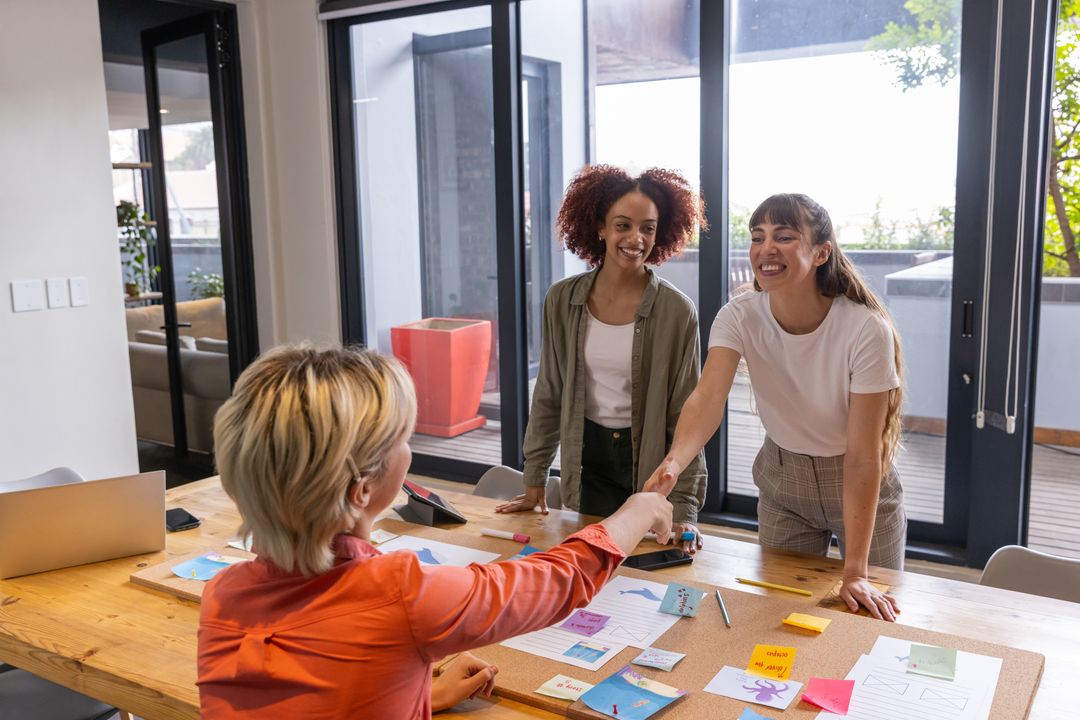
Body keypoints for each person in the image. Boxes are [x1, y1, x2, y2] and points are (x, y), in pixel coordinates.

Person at [197, 344, 676, 719]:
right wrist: (639, 509)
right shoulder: (400, 595)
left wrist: (416, 691)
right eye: (403, 438)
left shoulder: (223, 595)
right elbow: (557, 582)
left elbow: (317, 688)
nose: (410, 449)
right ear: (362, 490)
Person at [645, 193, 906, 621]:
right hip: (784, 481)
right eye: (757, 237)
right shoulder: (739, 315)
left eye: (784, 236)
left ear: (821, 252)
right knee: (777, 615)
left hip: (861, 483)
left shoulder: (864, 328)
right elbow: (708, 397)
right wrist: (675, 461)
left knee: (866, 618)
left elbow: (863, 455)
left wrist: (855, 571)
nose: (766, 249)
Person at [495, 164, 708, 553]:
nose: (636, 238)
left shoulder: (678, 312)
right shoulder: (562, 300)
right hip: (588, 455)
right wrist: (534, 478)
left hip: (650, 465)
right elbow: (549, 393)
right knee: (591, 561)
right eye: (623, 225)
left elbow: (685, 412)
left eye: (648, 228)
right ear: (600, 228)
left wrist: (684, 509)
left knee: (644, 564)